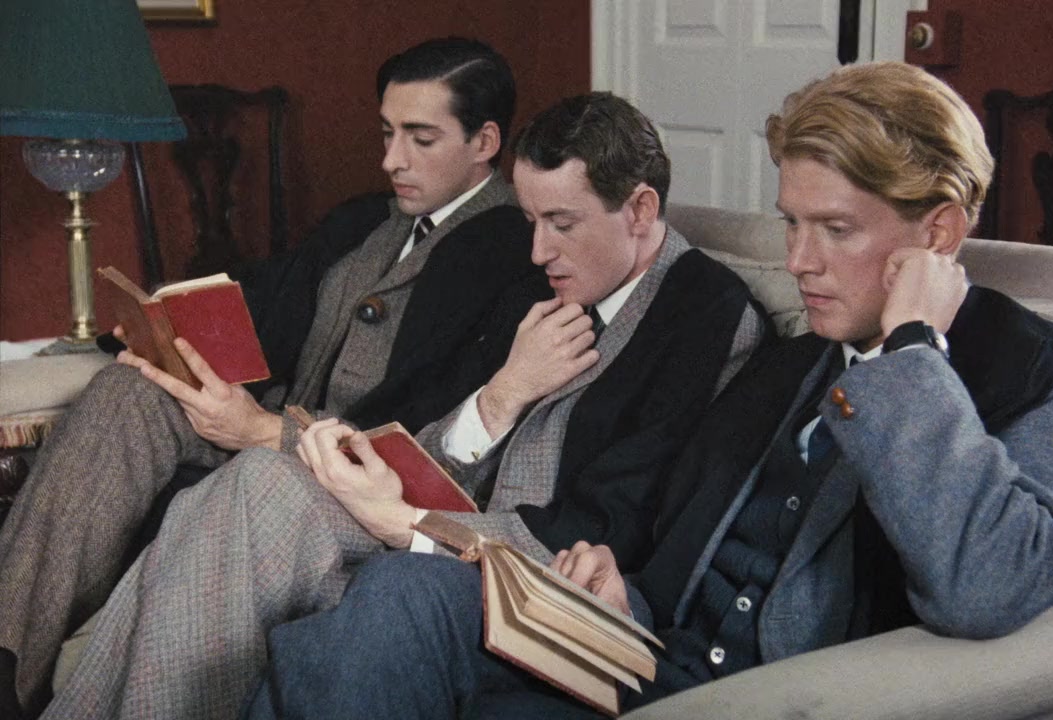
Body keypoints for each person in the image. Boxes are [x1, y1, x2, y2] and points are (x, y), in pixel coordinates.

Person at [240, 61, 1053, 720]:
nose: (799, 262)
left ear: (941, 233)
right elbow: (675, 551)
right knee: (392, 601)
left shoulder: (1049, 384)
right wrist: (623, 592)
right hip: (648, 662)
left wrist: (912, 349)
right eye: (791, 223)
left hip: (774, 695)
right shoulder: (792, 365)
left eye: (836, 230)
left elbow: (990, 586)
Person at [41, 91, 766, 720]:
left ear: (640, 209)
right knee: (238, 487)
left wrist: (410, 523)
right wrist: (501, 396)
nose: (539, 250)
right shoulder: (544, 282)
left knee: (265, 492)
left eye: (562, 223)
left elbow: (612, 527)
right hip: (425, 511)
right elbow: (433, 432)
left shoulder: (707, 316)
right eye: (531, 220)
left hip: (506, 572)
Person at [0, 36, 537, 719]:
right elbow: (267, 304)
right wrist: (161, 334)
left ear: (485, 141)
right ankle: (7, 664)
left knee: (254, 470)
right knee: (128, 392)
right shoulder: (365, 221)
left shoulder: (518, 255)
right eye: (387, 133)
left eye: (420, 139)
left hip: (349, 479)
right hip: (277, 421)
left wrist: (266, 432)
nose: (391, 160)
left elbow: (437, 445)